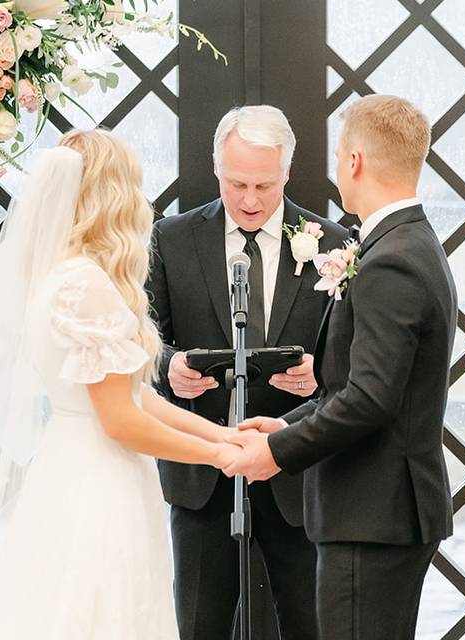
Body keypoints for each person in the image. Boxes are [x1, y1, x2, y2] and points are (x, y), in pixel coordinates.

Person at [0, 131, 241, 639]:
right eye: (133, 185)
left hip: (73, 464)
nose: (142, 200)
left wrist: (223, 436)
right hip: (99, 477)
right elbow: (122, 421)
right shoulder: (84, 284)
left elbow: (133, 394)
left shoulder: (60, 275)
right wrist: (222, 459)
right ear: (111, 195)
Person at [228, 95, 458, 640]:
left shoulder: (392, 260)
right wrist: (288, 423)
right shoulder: (408, 243)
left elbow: (370, 399)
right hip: (380, 513)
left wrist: (277, 453)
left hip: (372, 514)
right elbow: (357, 387)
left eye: (337, 156)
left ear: (353, 161)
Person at [148, 105, 346, 640]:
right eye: (238, 184)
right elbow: (143, 341)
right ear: (216, 168)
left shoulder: (333, 244)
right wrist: (170, 368)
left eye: (265, 184)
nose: (251, 200)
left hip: (298, 474)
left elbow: (355, 365)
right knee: (199, 627)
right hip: (202, 477)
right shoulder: (171, 238)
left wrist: (318, 375)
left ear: (287, 172)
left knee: (313, 627)